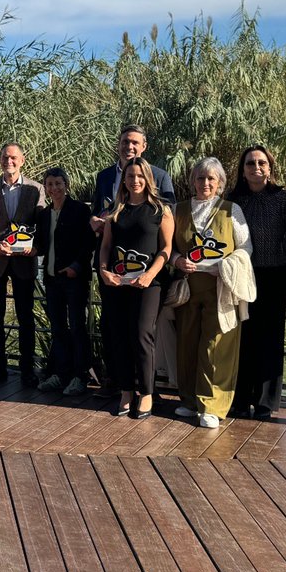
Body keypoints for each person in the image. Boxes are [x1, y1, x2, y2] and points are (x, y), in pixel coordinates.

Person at [91, 124, 176, 394]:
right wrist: (94, 221)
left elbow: (166, 232)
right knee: (114, 329)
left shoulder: (161, 177)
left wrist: (151, 273)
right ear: (118, 144)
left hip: (148, 274)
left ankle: (149, 391)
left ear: (144, 146)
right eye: (125, 142)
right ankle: (119, 385)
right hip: (114, 271)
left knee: (142, 333)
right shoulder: (104, 177)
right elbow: (98, 212)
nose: (129, 147)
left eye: (135, 142)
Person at [170, 157, 255, 429]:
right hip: (187, 288)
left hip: (221, 289)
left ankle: (213, 405)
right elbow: (166, 245)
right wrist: (175, 261)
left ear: (220, 183)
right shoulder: (178, 209)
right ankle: (189, 400)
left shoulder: (232, 210)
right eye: (200, 178)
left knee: (216, 346)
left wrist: (225, 266)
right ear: (192, 180)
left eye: (211, 179)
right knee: (186, 343)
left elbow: (246, 248)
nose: (205, 183)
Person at [228, 145, 286, 419]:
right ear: (242, 170)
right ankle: (239, 399)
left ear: (270, 168)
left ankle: (266, 402)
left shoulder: (282, 199)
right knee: (243, 338)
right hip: (241, 277)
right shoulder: (234, 200)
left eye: (261, 162)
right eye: (250, 163)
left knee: (270, 339)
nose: (256, 167)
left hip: (274, 275)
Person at [0, 143, 46, 386]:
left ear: (22, 160)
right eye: (5, 157)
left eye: (14, 158)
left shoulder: (36, 189)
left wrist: (35, 247)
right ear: (0, 159)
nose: (9, 161)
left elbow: (42, 223)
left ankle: (27, 369)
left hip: (24, 262)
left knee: (26, 316)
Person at [35, 167, 94, 396]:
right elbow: (41, 243)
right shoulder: (44, 214)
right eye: (50, 184)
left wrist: (76, 267)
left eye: (58, 183)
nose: (54, 188)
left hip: (74, 279)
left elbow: (88, 244)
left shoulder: (79, 210)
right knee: (58, 328)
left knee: (78, 327)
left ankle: (81, 376)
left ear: (66, 184)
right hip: (51, 279)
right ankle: (61, 374)